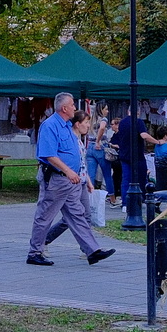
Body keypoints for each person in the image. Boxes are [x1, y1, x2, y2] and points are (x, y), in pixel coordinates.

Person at [27, 92, 112, 267]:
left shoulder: (66, 126)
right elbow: (49, 154)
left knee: (77, 214)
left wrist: (80, 176)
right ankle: (35, 252)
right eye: (72, 104)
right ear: (64, 108)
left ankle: (92, 250)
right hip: (57, 179)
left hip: (71, 181)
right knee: (45, 215)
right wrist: (68, 171)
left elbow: (76, 155)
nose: (75, 107)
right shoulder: (50, 126)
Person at [113, 106, 161, 220]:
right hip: (137, 155)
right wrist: (157, 141)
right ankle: (143, 199)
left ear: (127, 111)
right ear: (138, 112)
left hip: (124, 154)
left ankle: (125, 203)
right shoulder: (138, 122)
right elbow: (144, 135)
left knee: (126, 180)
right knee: (142, 177)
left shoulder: (122, 122)